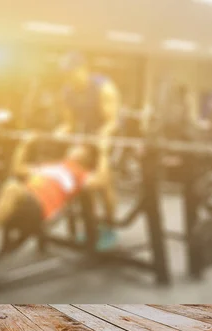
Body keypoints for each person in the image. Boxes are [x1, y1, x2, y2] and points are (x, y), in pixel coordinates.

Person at [0, 135, 114, 257]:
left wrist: (103, 152)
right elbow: (17, 169)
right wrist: (24, 145)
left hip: (39, 209)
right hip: (22, 201)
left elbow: (102, 180)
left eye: (80, 148)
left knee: (12, 187)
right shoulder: (51, 166)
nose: (74, 148)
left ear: (87, 157)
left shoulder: (80, 174)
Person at [54, 52, 121, 249]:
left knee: (104, 184)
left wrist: (101, 138)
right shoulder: (66, 92)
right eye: (66, 75)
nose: (69, 78)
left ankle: (109, 226)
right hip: (88, 137)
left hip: (111, 137)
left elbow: (112, 122)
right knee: (83, 179)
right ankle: (91, 224)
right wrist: (61, 130)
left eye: (72, 73)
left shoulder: (104, 88)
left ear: (84, 70)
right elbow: (69, 122)